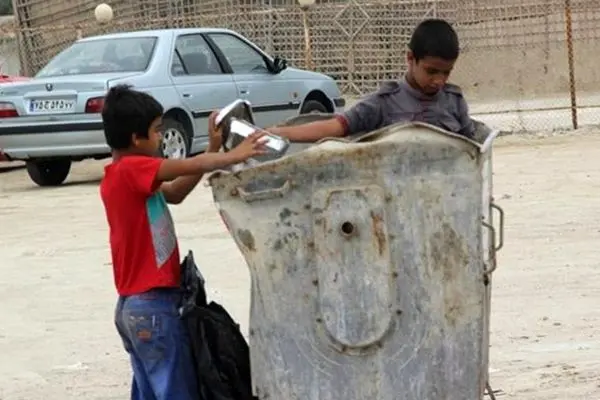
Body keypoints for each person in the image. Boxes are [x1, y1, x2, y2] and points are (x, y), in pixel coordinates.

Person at [99, 84, 266, 400]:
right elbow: (185, 166)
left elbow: (175, 192)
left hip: (135, 309)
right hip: (152, 307)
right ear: (136, 139)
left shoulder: (128, 180)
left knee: (151, 391)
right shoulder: (130, 170)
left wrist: (214, 149)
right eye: (157, 131)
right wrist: (233, 155)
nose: (161, 137)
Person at [267, 18, 475, 141]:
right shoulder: (383, 103)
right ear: (410, 58)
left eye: (446, 73)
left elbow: (473, 148)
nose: (439, 81)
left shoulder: (453, 100)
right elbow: (338, 126)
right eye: (431, 72)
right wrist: (278, 133)